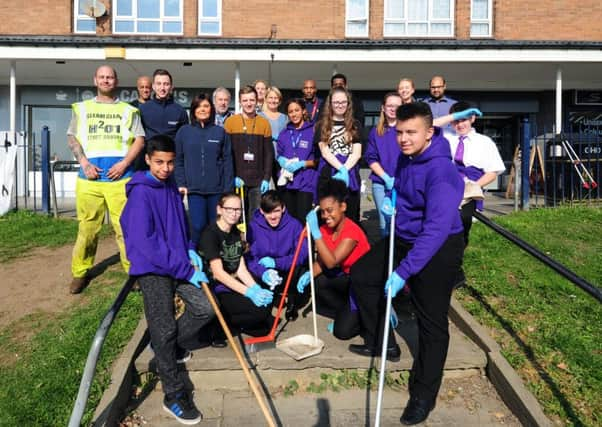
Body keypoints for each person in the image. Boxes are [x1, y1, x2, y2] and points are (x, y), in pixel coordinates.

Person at [349, 102, 465, 425]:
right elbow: (402, 185)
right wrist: (393, 198)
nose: (403, 138)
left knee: (431, 322)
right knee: (362, 275)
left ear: (429, 133)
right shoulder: (405, 156)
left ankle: (424, 394)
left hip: (438, 247)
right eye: (399, 132)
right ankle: (384, 342)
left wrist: (403, 272)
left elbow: (436, 229)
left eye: (411, 132)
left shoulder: (442, 172)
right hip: (404, 235)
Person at [120, 134, 214, 425]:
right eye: (159, 162)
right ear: (147, 159)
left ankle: (168, 346)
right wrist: (184, 268)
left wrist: (188, 247)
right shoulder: (140, 194)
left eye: (171, 163)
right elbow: (146, 245)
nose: (165, 168)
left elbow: (179, 220)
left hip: (178, 261)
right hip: (153, 269)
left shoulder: (171, 185)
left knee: (205, 308)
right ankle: (172, 394)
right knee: (163, 329)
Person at [66, 65, 145, 294]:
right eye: (102, 77)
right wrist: (84, 163)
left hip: (120, 179)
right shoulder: (82, 109)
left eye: (110, 77)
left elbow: (139, 139)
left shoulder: (128, 110)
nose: (106, 80)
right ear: (95, 80)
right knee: (87, 229)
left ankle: (134, 272)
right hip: (89, 180)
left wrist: (124, 164)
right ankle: (80, 272)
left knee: (126, 228)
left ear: (116, 81)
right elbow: (72, 138)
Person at [298, 178, 370, 340]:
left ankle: (368, 315)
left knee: (342, 332)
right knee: (318, 283)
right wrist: (309, 274)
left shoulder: (352, 232)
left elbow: (332, 262)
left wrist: (316, 235)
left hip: (363, 284)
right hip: (347, 277)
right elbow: (323, 262)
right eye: (322, 211)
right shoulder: (326, 229)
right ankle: (347, 311)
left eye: (330, 210)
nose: (325, 216)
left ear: (343, 207)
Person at [199, 192, 275, 336]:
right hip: (217, 287)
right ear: (219, 210)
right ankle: (221, 323)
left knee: (268, 303)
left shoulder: (235, 233)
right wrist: (249, 292)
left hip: (234, 280)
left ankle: (242, 321)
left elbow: (241, 270)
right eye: (230, 209)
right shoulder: (210, 235)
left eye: (238, 210)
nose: (234, 214)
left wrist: (256, 288)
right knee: (259, 313)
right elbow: (218, 274)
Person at [175, 93, 234, 248]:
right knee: (197, 225)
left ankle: (215, 260)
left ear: (211, 109)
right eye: (199, 106)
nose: (203, 109)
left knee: (215, 226)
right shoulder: (184, 132)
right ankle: (195, 257)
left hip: (216, 189)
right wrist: (181, 183)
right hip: (194, 190)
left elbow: (228, 161)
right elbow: (179, 160)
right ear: (193, 109)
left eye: (206, 106)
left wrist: (227, 189)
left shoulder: (220, 132)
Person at [245, 190, 310, 321]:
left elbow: (302, 254)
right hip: (266, 271)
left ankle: (292, 300)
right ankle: (271, 296)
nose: (273, 216)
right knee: (250, 272)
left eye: (276, 211)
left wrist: (276, 262)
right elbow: (251, 257)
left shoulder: (294, 225)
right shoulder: (254, 226)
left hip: (287, 267)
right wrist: (263, 272)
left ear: (283, 208)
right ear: (262, 211)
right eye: (269, 212)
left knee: (300, 270)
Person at [447, 101, 505, 246]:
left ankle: (460, 248)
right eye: (456, 121)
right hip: (448, 186)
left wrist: (473, 186)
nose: (460, 125)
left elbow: (493, 171)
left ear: (472, 119)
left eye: (464, 120)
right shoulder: (446, 139)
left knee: (463, 219)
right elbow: (428, 127)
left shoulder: (485, 142)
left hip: (471, 189)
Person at [313, 86, 362, 223]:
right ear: (330, 104)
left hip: (350, 174)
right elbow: (325, 151)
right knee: (328, 216)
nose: (340, 105)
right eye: (336, 102)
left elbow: (357, 153)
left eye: (343, 102)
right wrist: (340, 168)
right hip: (328, 173)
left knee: (350, 215)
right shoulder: (321, 125)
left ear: (348, 103)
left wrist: (345, 169)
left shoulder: (355, 124)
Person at [223, 85, 273, 219]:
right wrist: (232, 175)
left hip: (257, 180)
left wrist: (266, 178)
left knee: (255, 215)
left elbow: (269, 153)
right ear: (240, 102)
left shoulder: (264, 123)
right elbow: (226, 153)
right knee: (236, 215)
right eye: (245, 100)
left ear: (257, 101)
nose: (248, 103)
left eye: (251, 100)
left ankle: (253, 240)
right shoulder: (230, 122)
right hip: (237, 179)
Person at [365, 92, 403, 237]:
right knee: (385, 223)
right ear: (383, 108)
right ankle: (387, 258)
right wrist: (386, 178)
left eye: (397, 106)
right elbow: (371, 158)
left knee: (401, 222)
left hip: (403, 183)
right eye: (390, 106)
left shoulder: (406, 130)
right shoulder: (376, 132)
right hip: (381, 183)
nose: (393, 109)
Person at [136, 69, 189, 170]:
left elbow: (184, 141)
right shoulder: (143, 109)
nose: (162, 88)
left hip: (172, 165)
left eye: (166, 84)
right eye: (159, 84)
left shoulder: (180, 111)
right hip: (148, 166)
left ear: (171, 87)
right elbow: (138, 139)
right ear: (153, 86)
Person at [276, 98, 318, 222]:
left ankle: (305, 242)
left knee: (303, 219)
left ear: (303, 111)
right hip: (288, 183)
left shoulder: (313, 131)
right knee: (289, 220)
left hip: (306, 183)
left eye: (297, 110)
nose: (294, 114)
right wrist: (281, 160)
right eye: (290, 112)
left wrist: (303, 163)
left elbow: (319, 159)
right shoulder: (284, 133)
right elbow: (279, 154)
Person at [259, 86, 288, 184]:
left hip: (281, 159)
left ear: (279, 101)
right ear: (266, 99)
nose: (273, 100)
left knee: (281, 188)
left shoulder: (285, 118)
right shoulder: (259, 116)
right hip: (264, 158)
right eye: (270, 97)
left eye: (276, 98)